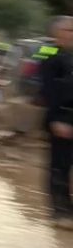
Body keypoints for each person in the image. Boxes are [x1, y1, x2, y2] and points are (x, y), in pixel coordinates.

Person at [39, 15, 73, 230]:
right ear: (57, 34)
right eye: (70, 30)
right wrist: (55, 120)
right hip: (62, 117)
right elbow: (47, 90)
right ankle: (61, 213)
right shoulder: (49, 54)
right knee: (60, 168)